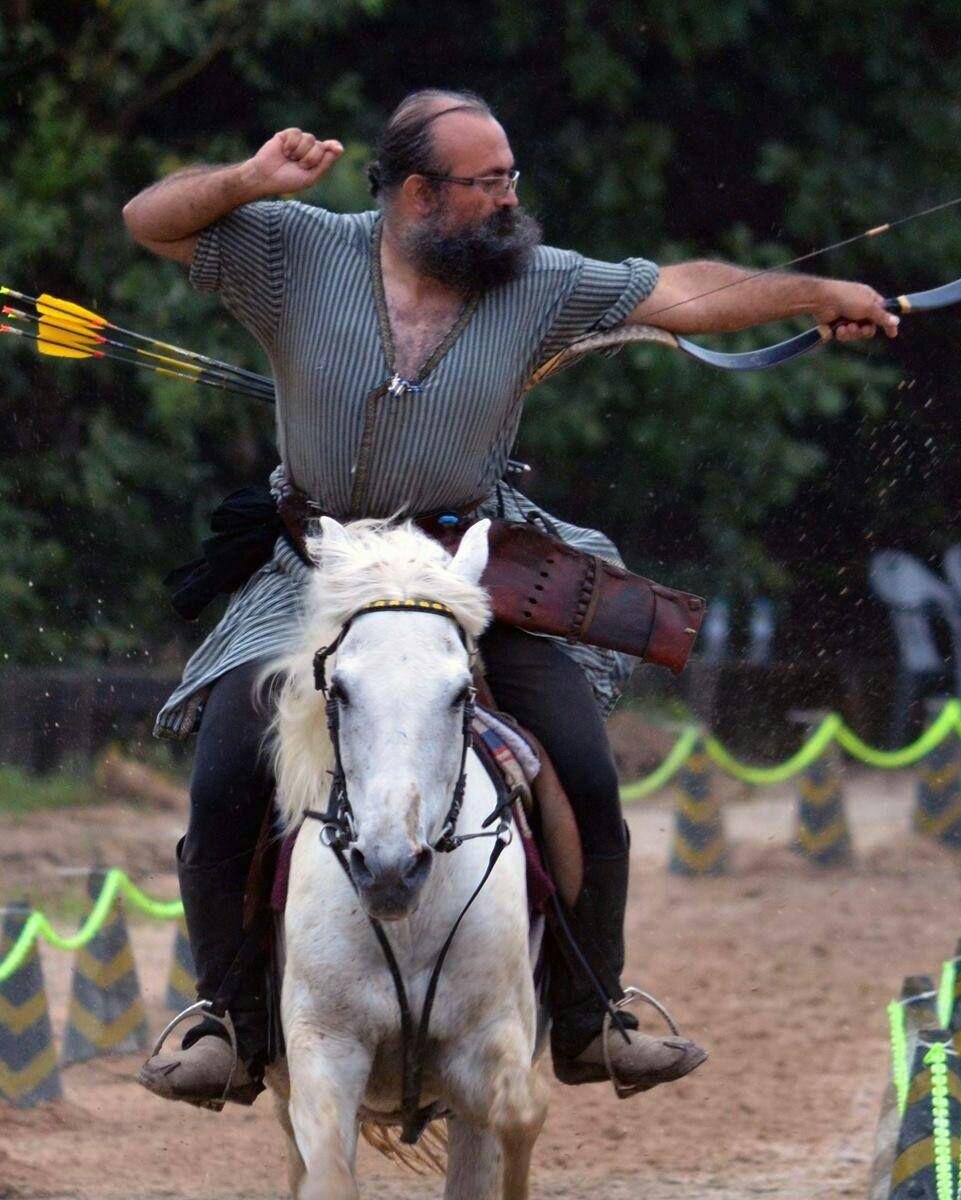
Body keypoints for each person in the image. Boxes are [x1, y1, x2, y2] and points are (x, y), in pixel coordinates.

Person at [124, 88, 898, 1107]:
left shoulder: (535, 283)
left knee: (585, 776)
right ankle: (229, 1019)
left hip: (466, 574)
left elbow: (692, 292)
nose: (507, 202)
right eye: (485, 184)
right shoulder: (293, 245)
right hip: (314, 576)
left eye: (510, 180)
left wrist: (815, 293)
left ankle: (590, 1018)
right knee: (225, 780)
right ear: (415, 193)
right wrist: (248, 180)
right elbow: (150, 220)